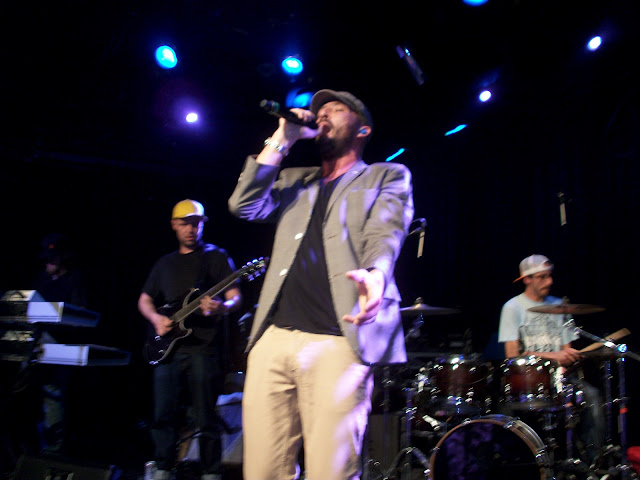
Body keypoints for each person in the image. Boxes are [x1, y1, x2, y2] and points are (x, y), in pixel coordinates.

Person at [226, 89, 414, 480]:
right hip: (273, 339)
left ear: (362, 129)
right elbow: (243, 205)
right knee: (260, 472)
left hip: (338, 343)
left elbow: (386, 232)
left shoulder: (386, 175)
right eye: (319, 111)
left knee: (331, 472)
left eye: (335, 109)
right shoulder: (294, 180)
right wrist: (283, 137)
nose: (322, 115)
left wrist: (377, 274)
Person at [138, 199, 242, 480]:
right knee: (163, 414)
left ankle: (211, 473)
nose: (191, 229)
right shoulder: (165, 263)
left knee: (205, 417)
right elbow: (145, 299)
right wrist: (156, 319)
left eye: (196, 223)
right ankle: (163, 469)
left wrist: (222, 307)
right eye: (185, 223)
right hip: (168, 351)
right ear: (174, 225)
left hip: (203, 349)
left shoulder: (216, 256)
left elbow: (235, 297)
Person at [498, 254, 604, 464]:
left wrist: (570, 357)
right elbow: (512, 355)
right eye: (542, 277)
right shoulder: (512, 307)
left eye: (549, 276)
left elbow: (567, 350)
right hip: (527, 381)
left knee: (592, 397)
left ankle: (594, 463)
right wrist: (553, 356)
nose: (549, 281)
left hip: (559, 380)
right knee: (505, 408)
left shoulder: (560, 306)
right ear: (526, 279)